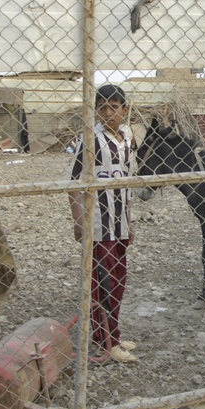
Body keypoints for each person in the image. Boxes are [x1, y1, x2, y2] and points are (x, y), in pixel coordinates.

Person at [69, 84, 141, 363]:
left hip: (119, 223)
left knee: (118, 281)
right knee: (103, 283)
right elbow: (73, 184)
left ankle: (113, 334)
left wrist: (130, 221)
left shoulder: (126, 139)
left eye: (113, 107)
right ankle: (106, 343)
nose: (107, 113)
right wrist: (79, 223)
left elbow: (126, 182)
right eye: (102, 107)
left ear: (125, 109)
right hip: (99, 226)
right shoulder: (91, 140)